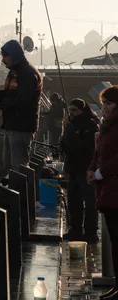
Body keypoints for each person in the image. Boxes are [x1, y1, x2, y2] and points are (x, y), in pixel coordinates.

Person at [0, 39, 42, 170]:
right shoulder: (14, 71)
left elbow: (22, 100)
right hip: (12, 126)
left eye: (5, 57)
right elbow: (9, 94)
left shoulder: (28, 74)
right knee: (7, 163)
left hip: (22, 127)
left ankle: (19, 189)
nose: (3, 60)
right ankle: (13, 187)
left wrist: (0, 105)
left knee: (19, 166)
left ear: (13, 56)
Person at [87, 85, 118, 300]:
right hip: (107, 191)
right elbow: (98, 152)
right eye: (103, 103)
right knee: (115, 240)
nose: (104, 108)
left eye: (108, 103)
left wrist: (99, 173)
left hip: (114, 190)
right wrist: (91, 169)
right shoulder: (107, 126)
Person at [60, 98, 99, 242]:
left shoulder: (90, 124)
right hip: (73, 169)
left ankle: (90, 233)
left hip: (86, 168)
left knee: (90, 202)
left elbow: (90, 148)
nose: (71, 113)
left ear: (82, 110)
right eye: (69, 110)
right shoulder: (70, 125)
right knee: (73, 201)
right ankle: (75, 230)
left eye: (74, 110)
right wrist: (62, 145)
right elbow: (65, 142)